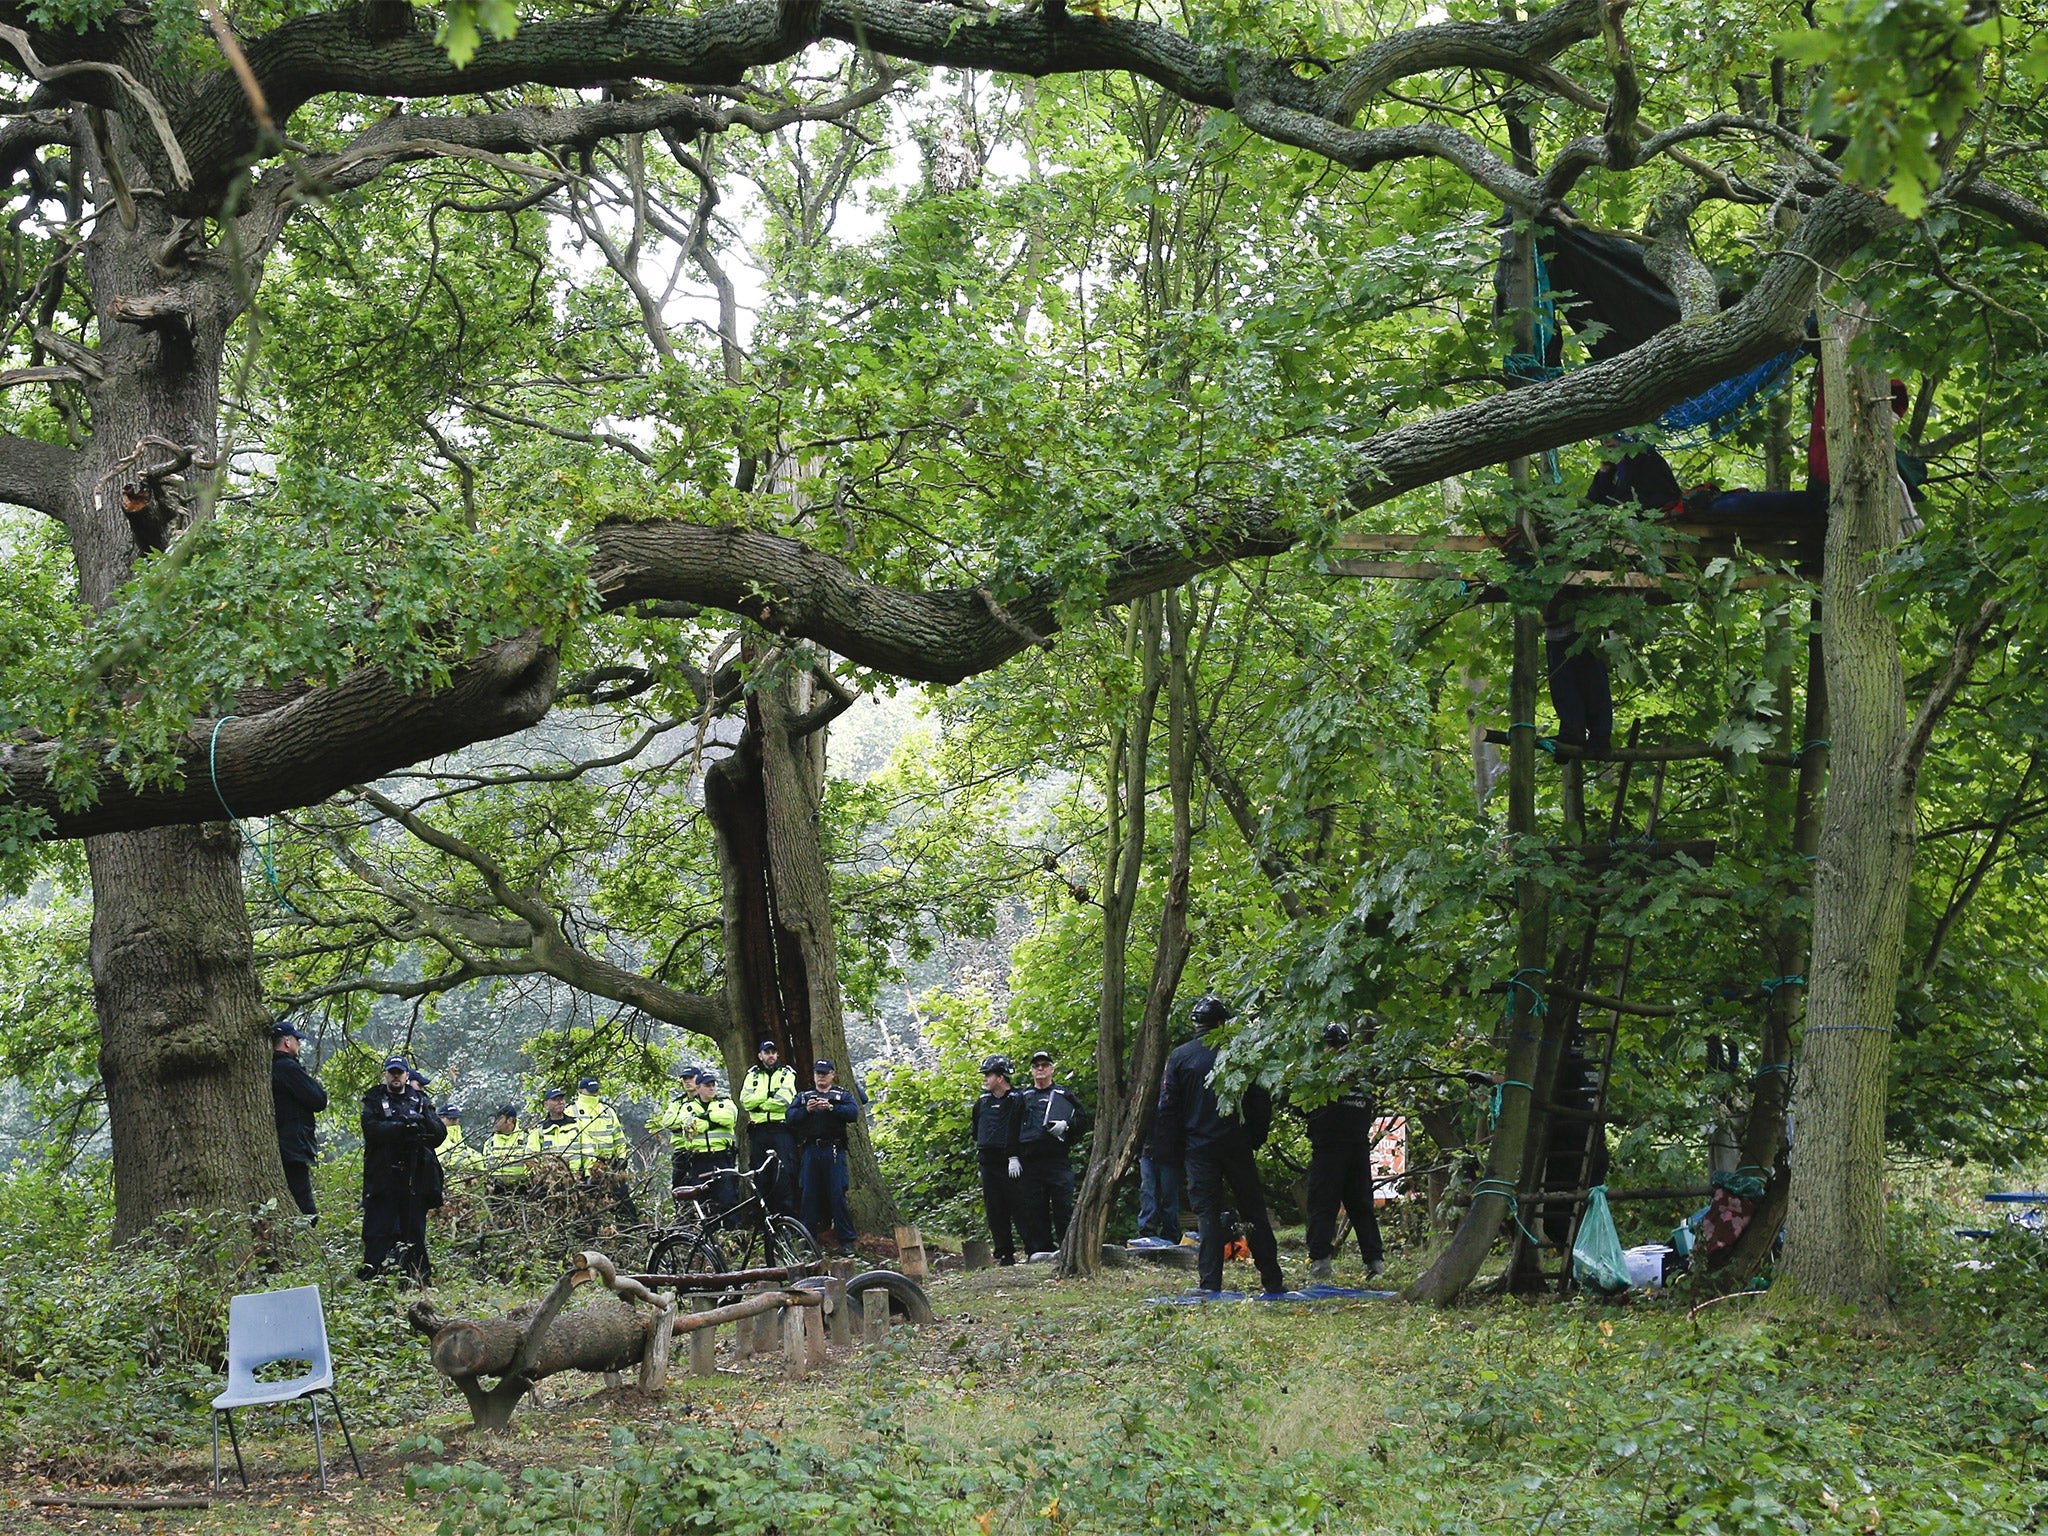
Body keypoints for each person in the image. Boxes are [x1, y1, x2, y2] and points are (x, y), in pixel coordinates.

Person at [1157, 995, 1287, 1296]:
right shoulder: (1238, 1054)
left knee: (1208, 1216)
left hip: (1198, 1147)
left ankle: (1210, 1284)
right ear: (1221, 1023)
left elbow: (1168, 1108)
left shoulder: (1180, 1057)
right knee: (1253, 1212)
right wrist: (1255, 1137)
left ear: (1195, 1024)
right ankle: (1272, 1280)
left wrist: (1174, 1150)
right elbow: (1260, 1100)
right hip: (1236, 1143)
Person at [1303, 1023, 1386, 1282]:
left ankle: (1320, 1263)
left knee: (1322, 1205)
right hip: (1357, 1148)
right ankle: (1375, 1263)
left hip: (1328, 1150)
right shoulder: (1362, 1077)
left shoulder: (1320, 1075)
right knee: (1361, 1206)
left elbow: (1303, 1106)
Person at [359, 1056, 446, 1283]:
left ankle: (417, 1279)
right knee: (379, 1232)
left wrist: (419, 1122)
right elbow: (371, 1129)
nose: (396, 1077)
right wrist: (400, 1127)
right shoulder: (374, 1099)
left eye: (400, 1073)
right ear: (386, 1074)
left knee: (414, 1233)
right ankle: (375, 1279)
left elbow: (438, 1134)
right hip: (382, 1180)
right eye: (392, 1072)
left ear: (407, 1075)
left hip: (414, 1180)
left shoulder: (419, 1100)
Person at [1015, 1049, 1090, 1260]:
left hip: (1057, 1161)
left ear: (1052, 1069)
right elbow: (1012, 1128)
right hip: (1030, 1163)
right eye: (1036, 1066)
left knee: (1063, 1207)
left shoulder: (1064, 1095)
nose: (1040, 1069)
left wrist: (1067, 1126)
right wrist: (1013, 1156)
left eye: (1044, 1065)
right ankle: (1040, 1252)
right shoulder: (1023, 1097)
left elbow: (1083, 1121)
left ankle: (1068, 1251)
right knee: (1034, 1209)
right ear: (1031, 1070)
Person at [787, 1058, 860, 1253]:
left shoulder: (841, 1094)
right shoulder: (805, 1096)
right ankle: (807, 1239)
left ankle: (847, 1240)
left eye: (824, 1073)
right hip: (811, 1150)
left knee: (837, 1194)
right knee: (809, 1195)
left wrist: (832, 1108)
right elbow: (790, 1117)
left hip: (834, 1150)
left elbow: (853, 1113)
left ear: (832, 1075)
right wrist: (807, 1110)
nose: (821, 1077)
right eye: (818, 1073)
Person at [270, 1020, 326, 1220]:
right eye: (296, 1040)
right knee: (305, 1207)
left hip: (283, 1142)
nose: (299, 1044)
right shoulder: (287, 1068)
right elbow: (318, 1099)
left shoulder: (270, 1067)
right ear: (286, 1042)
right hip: (292, 1145)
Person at [971, 1056, 1024, 1267]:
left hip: (1013, 1162)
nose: (985, 1079)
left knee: (1020, 1205)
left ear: (1001, 1077)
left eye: (988, 1075)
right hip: (988, 1161)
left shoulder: (1018, 1099)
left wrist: (1015, 1156)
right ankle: (1004, 1252)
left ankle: (1032, 1248)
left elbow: (1021, 1128)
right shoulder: (982, 1102)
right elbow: (976, 1129)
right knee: (995, 1209)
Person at [740, 1039, 799, 1215]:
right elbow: (745, 1101)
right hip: (759, 1131)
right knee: (760, 1174)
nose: (770, 1055)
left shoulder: (786, 1073)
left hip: (781, 1130)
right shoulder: (752, 1075)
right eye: (767, 1052)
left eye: (773, 1052)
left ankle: (786, 1219)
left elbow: (785, 1100)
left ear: (777, 1054)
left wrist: (760, 1103)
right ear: (760, 1055)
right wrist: (769, 1097)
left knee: (783, 1173)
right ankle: (763, 1219)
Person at [674, 1069, 741, 1223]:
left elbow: (729, 1119)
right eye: (707, 1085)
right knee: (704, 1201)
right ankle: (711, 1239)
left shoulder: (725, 1102)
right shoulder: (687, 1107)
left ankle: (733, 1238)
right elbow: (689, 1126)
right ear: (698, 1088)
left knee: (728, 1198)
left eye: (713, 1085)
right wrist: (715, 1122)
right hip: (699, 1160)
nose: (711, 1088)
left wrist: (706, 1119)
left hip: (722, 1157)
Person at [572, 1076, 636, 1219]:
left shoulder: (607, 1111)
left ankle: (629, 1237)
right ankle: (590, 1240)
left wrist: (621, 1158)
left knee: (625, 1208)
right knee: (588, 1214)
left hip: (610, 1167)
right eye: (591, 1091)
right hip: (586, 1170)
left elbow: (619, 1138)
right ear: (581, 1091)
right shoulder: (572, 1111)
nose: (595, 1094)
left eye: (596, 1090)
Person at [1133, 1113, 1184, 1248]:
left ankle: (1170, 1235)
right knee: (1147, 1192)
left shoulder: (1177, 1096)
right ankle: (1146, 1233)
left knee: (1168, 1196)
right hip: (1148, 1150)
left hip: (1171, 1153)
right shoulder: (1148, 1097)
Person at [481, 1104, 531, 1192]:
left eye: (498, 1118)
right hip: (496, 1194)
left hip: (521, 1191)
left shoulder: (526, 1139)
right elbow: (484, 1167)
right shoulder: (490, 1142)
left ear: (509, 1120)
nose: (494, 1121)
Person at [437, 1105, 486, 1173]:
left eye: (456, 1118)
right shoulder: (437, 1136)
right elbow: (452, 1160)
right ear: (440, 1118)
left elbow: (480, 1160)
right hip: (448, 1181)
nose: (454, 1121)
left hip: (463, 1180)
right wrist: (472, 1164)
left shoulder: (457, 1134)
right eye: (450, 1118)